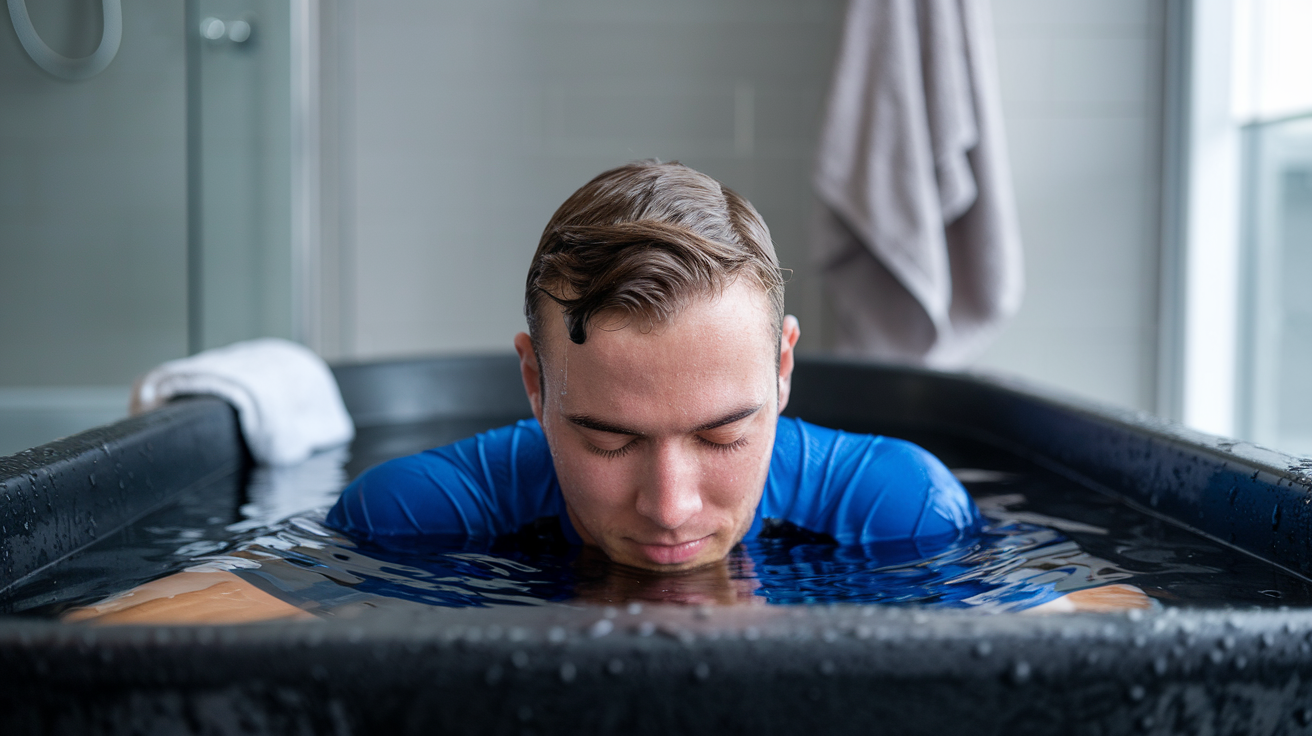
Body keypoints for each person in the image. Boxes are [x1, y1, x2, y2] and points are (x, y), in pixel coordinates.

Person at [65, 161, 1150, 623]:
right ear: (533, 382)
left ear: (782, 367)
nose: (672, 506)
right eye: (609, 438)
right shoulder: (413, 515)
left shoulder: (899, 509)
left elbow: (1126, 644)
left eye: (723, 434)